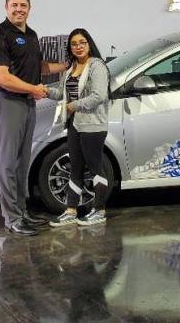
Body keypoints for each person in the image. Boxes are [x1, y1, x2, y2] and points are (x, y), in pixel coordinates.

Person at [0, 0, 67, 236]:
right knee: (7, 163)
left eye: (23, 5)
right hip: (8, 101)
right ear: (6, 7)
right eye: (14, 5)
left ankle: (22, 212)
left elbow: (38, 67)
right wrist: (34, 89)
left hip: (27, 103)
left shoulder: (30, 35)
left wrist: (68, 64)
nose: (19, 9)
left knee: (22, 163)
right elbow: (2, 78)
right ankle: (11, 219)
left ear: (29, 8)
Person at [47, 28, 111, 227]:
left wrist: (73, 106)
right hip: (74, 124)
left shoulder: (97, 66)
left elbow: (99, 95)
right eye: (74, 44)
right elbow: (62, 93)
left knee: (95, 169)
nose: (78, 47)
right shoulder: (71, 68)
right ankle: (71, 211)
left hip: (92, 125)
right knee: (75, 168)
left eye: (82, 42)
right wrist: (44, 91)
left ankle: (99, 210)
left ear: (89, 43)